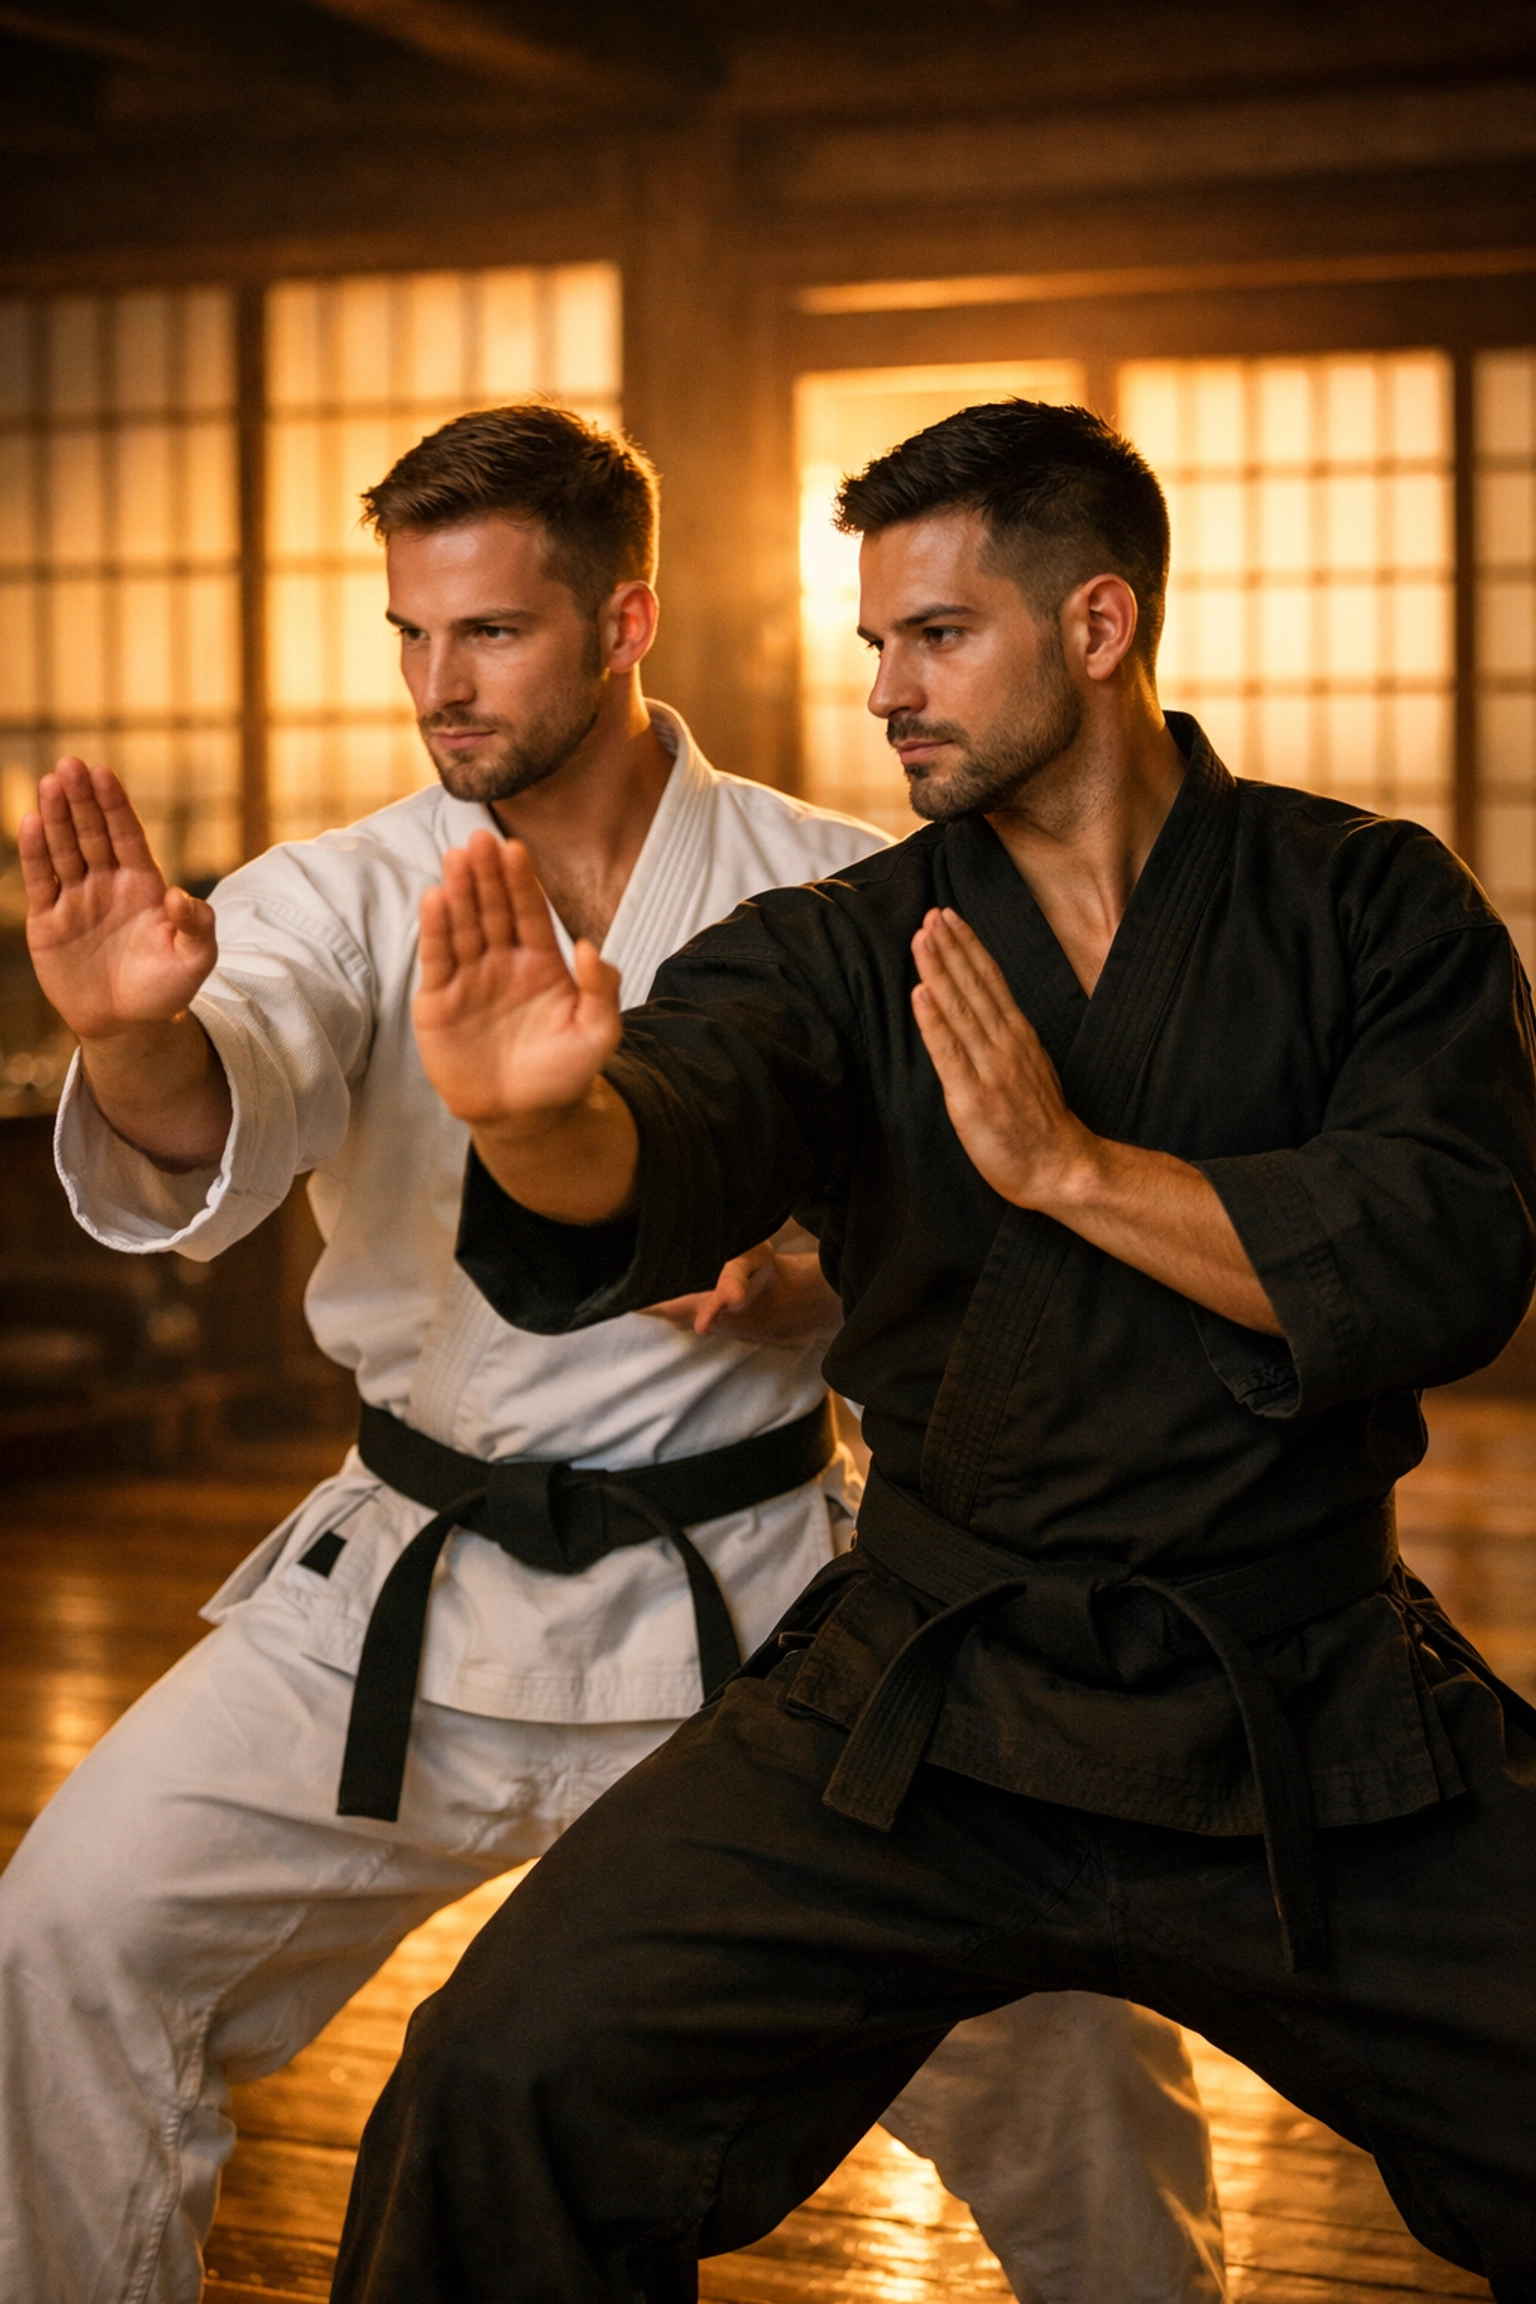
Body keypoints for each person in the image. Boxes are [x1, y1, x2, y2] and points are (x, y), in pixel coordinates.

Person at [2, 404, 1223, 2304]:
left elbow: (976, 1224)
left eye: (488, 632)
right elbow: (214, 1104)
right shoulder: (335, 895)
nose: (437, 684)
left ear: (625, 620)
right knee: (64, 1936)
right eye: (411, 634)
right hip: (406, 1595)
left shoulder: (839, 885)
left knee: (1068, 2045)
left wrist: (814, 1288)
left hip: (755, 1606)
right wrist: (134, 1034)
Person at [331, 397, 1536, 2304]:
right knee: (503, 2077)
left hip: (1301, 1699)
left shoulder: (1369, 906)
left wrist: (1072, 1172)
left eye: (939, 635)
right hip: (934, 1697)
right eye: (876, 640)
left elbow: (1443, 1255)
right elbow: (676, 1132)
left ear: (1097, 624)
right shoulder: (839, 947)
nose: (887, 687)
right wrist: (537, 1124)